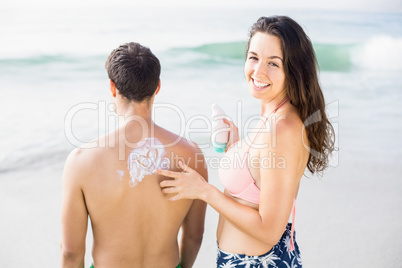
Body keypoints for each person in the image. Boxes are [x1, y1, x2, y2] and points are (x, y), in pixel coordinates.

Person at [157, 16, 335, 267]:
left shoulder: (281, 129)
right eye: (253, 57)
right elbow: (258, 184)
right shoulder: (273, 117)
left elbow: (269, 230)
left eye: (273, 63)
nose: (258, 71)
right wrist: (238, 148)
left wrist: (204, 191)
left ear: (293, 70)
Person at [60, 42, 208, 268]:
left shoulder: (81, 161)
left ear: (112, 87)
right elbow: (194, 236)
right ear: (157, 87)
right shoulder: (191, 154)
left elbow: (71, 252)